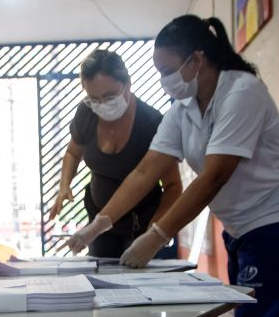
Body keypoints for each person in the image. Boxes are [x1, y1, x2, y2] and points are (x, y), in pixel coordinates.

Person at [66, 15, 279, 317]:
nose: (163, 81)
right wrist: (98, 225)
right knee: (247, 314)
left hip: (277, 218)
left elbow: (214, 177)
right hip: (239, 226)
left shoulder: (242, 92)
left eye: (168, 71)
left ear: (196, 60)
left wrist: (156, 235)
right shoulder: (183, 110)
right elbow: (145, 170)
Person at [50, 50, 182, 257]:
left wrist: (154, 233)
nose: (101, 105)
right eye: (93, 98)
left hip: (142, 225)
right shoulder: (86, 113)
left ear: (128, 83)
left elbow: (173, 186)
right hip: (98, 224)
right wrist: (64, 185)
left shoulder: (151, 124)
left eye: (109, 96)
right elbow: (73, 152)